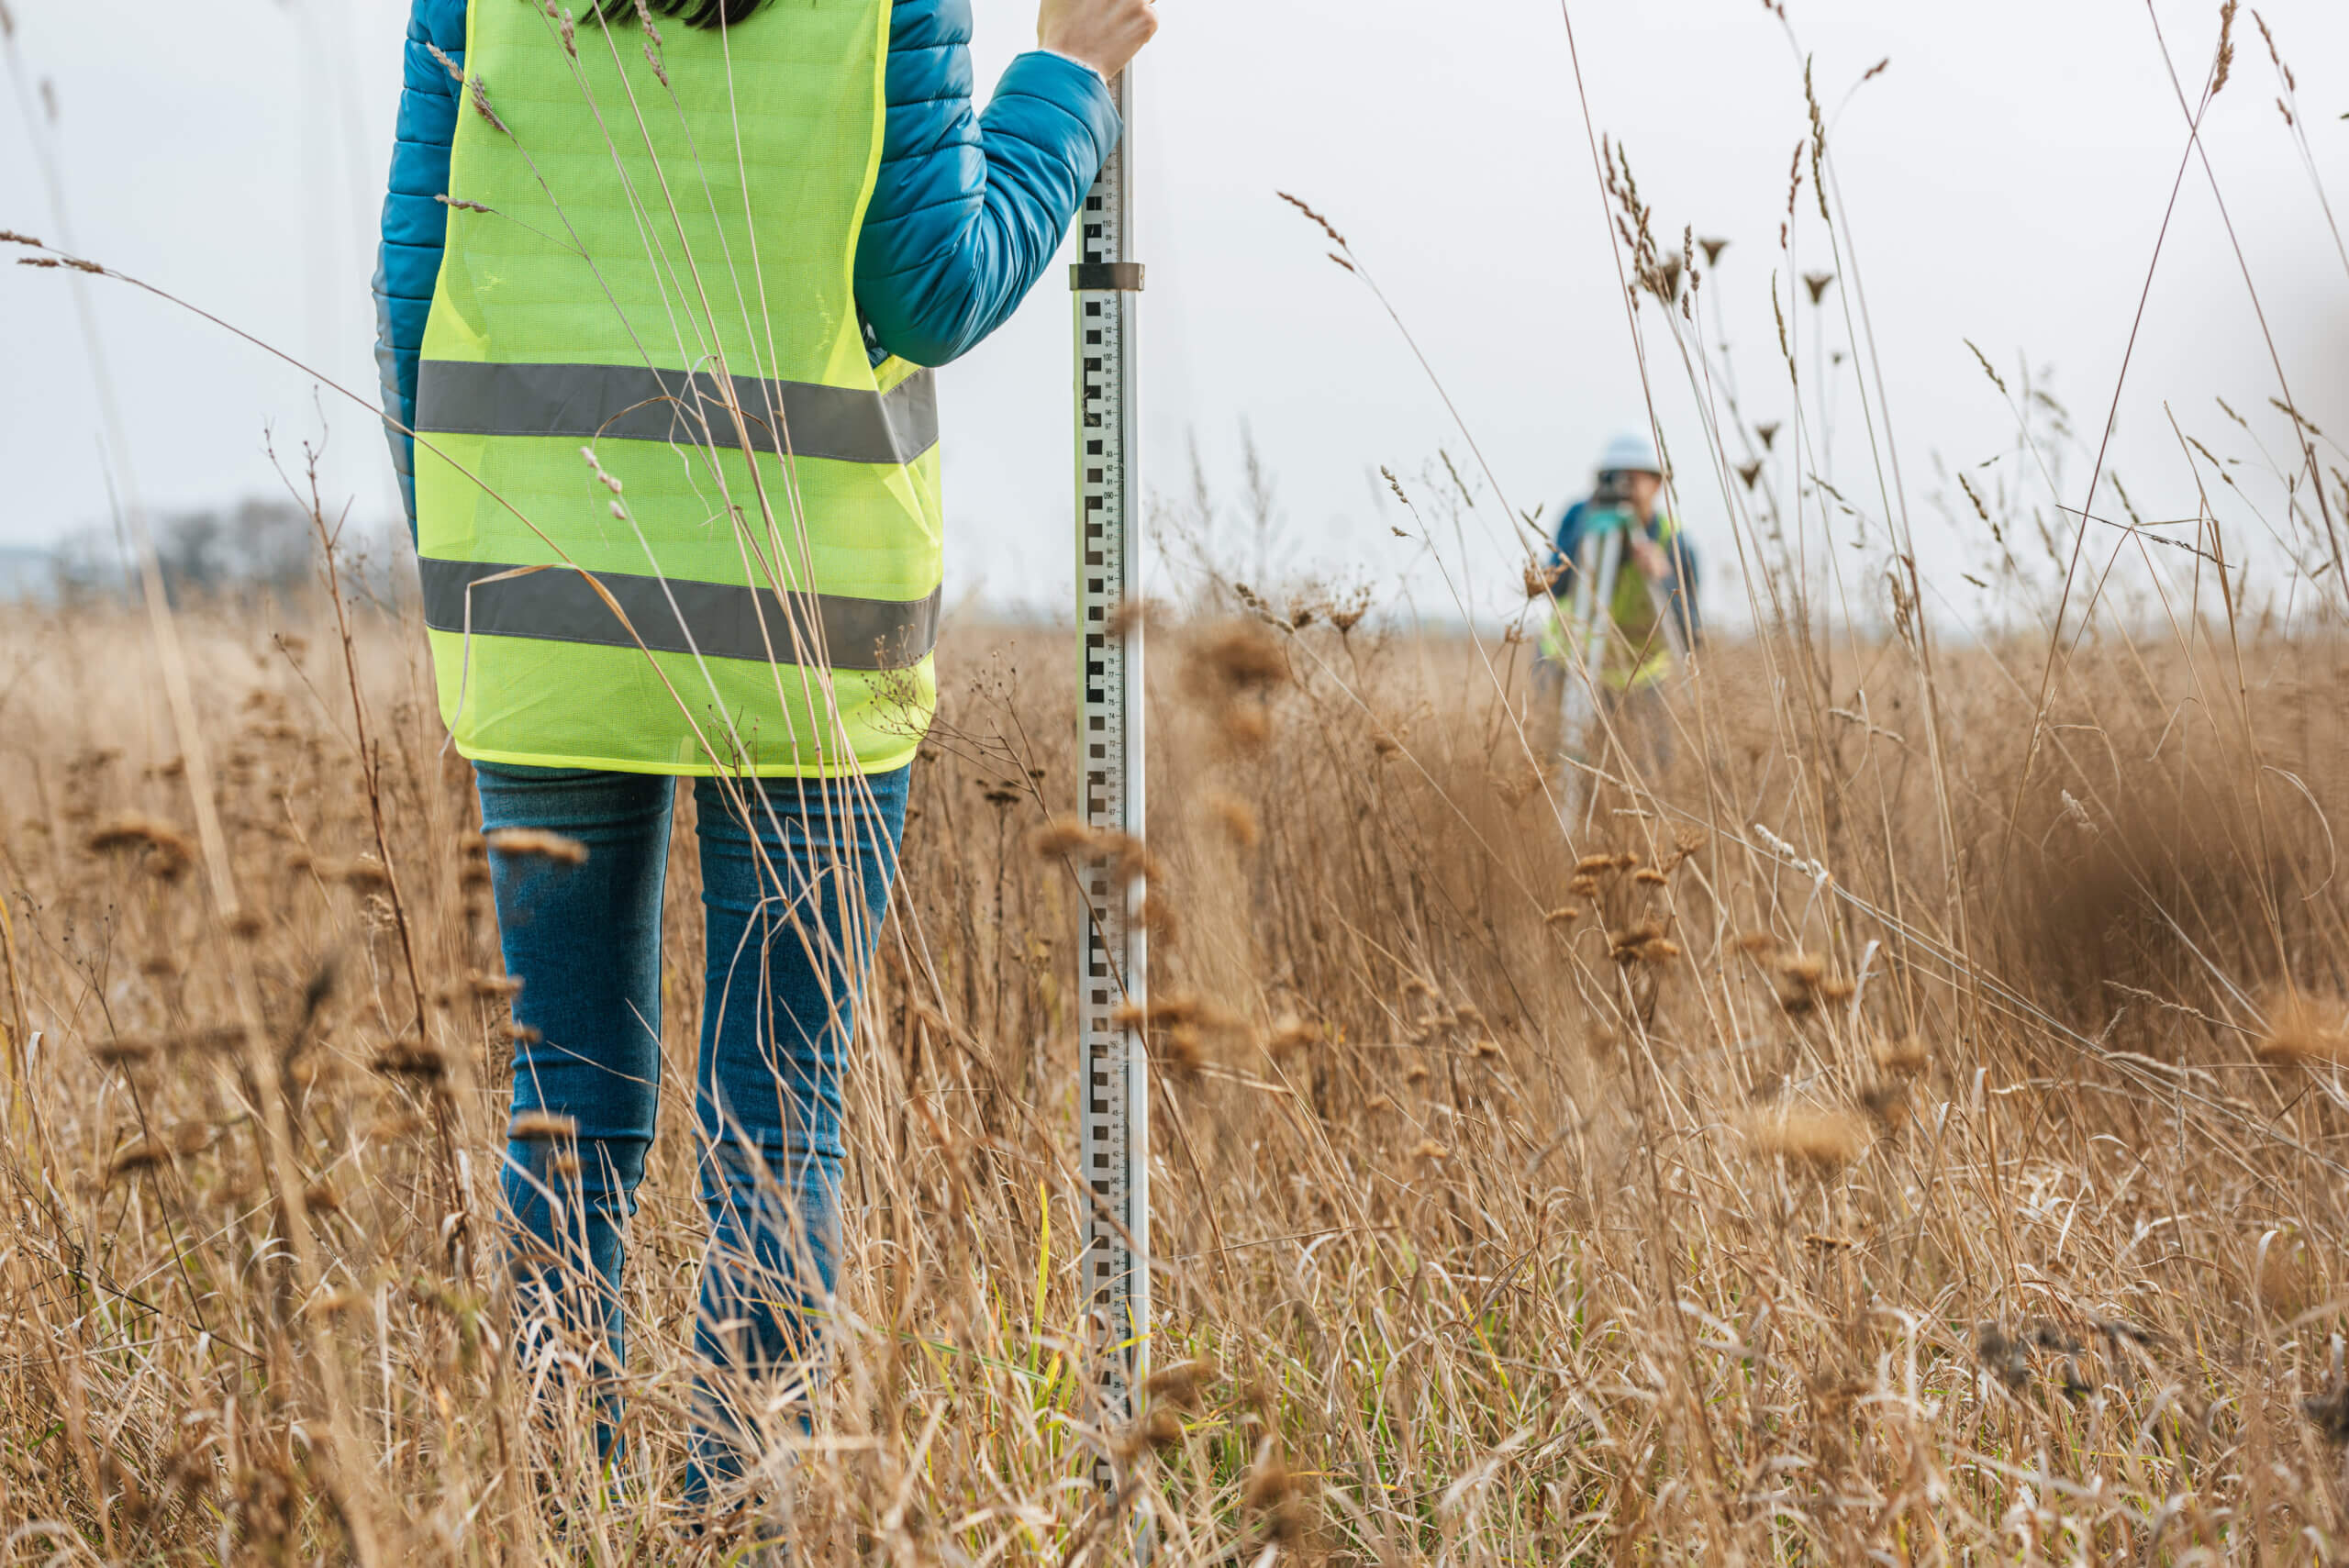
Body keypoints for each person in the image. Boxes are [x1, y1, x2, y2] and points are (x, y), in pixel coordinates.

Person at [372, 0, 1158, 1514]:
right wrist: (1062, 85)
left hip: (532, 588)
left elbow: (418, 282)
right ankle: (736, 1523)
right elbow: (927, 290)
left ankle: (564, 1518)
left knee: (565, 1093)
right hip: (807, 617)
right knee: (778, 1107)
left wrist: (462, 551)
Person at [1532, 430, 1699, 776]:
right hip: (1569, 660)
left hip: (1640, 678)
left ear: (1658, 484)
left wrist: (1664, 576)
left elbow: (1690, 634)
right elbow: (1556, 586)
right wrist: (1584, 539)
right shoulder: (1579, 517)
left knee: (1647, 772)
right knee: (1556, 765)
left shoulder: (1674, 542)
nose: (1623, 487)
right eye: (1614, 477)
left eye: (1634, 477)